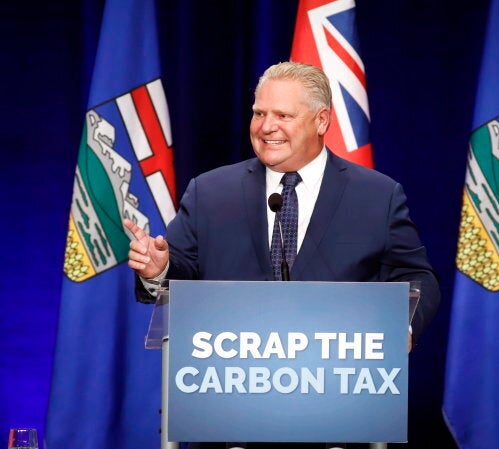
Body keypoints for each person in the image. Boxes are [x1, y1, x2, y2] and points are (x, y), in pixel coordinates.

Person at [124, 61, 441, 449]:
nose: (266, 126)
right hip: (228, 418)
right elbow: (180, 274)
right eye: (259, 113)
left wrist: (401, 327)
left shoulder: (376, 196)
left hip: (340, 416)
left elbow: (417, 277)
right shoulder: (210, 192)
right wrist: (159, 270)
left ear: (321, 120)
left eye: (282, 115)